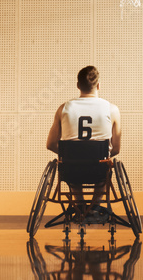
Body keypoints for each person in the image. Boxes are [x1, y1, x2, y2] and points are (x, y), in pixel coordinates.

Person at [47, 66, 122, 219]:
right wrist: (96, 158)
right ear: (98, 85)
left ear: (78, 85)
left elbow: (50, 144)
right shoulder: (112, 109)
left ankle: (80, 205)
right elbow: (116, 149)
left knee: (71, 165)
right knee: (105, 164)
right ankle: (94, 206)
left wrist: (70, 157)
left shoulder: (64, 109)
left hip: (71, 171)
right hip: (99, 170)